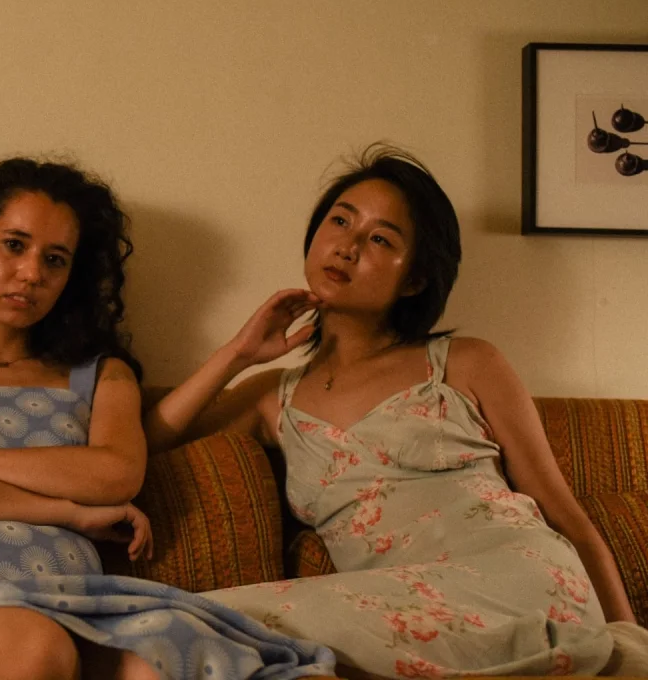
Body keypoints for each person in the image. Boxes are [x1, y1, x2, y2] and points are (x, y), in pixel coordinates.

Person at [145, 144, 647, 677]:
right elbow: (146, 445)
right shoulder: (272, 396)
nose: (348, 246)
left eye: (380, 238)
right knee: (181, 630)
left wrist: (629, 639)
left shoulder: (466, 362)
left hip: (521, 582)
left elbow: (564, 514)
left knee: (206, 623)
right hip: (395, 619)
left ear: (415, 280)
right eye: (341, 220)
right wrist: (237, 353)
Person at [0, 158, 333, 679]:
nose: (32, 273)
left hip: (73, 592)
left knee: (163, 669)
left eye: (55, 259)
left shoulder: (101, 375)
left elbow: (116, 474)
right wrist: (67, 511)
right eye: (14, 245)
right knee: (31, 649)